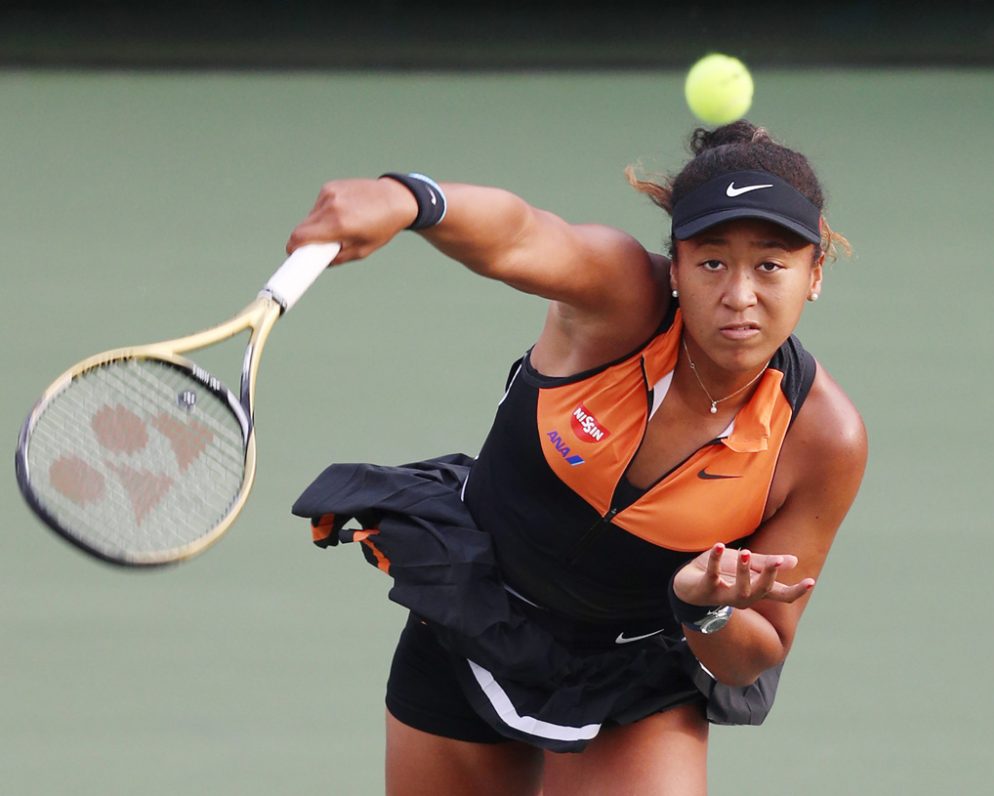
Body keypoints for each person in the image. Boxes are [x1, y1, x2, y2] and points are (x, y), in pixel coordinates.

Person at [286, 121, 868, 796]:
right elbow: (524, 235)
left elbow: (753, 653)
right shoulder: (620, 299)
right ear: (675, 266)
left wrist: (704, 609)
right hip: (475, 617)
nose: (739, 295)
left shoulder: (823, 438)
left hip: (632, 676)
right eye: (712, 262)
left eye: (771, 264)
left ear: (814, 273)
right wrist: (410, 200)